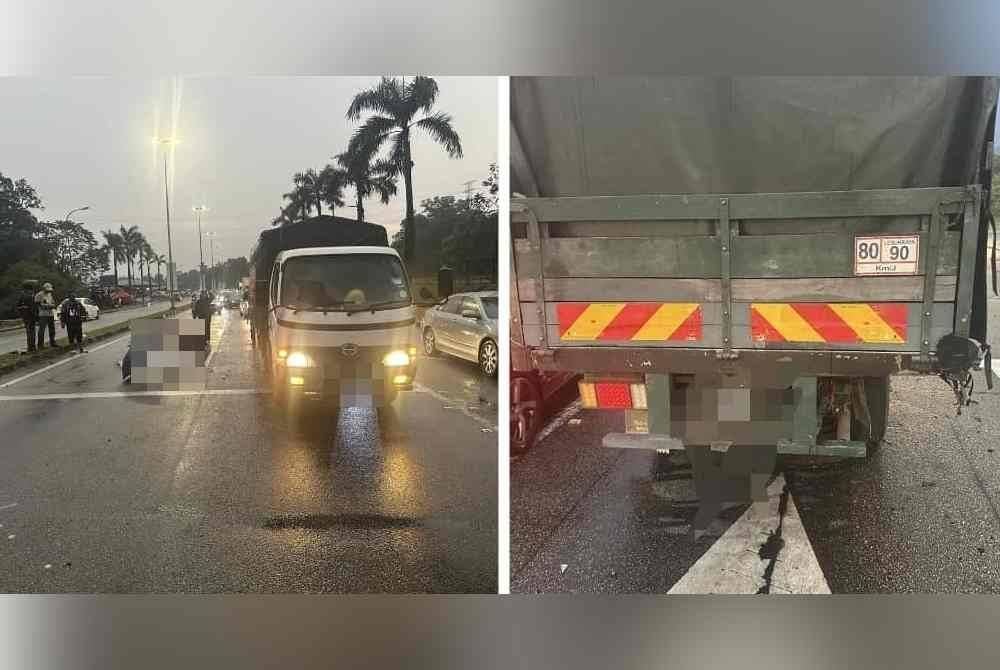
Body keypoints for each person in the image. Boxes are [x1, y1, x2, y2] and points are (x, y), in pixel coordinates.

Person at [15, 281, 38, 353]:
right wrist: (36, 316)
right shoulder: (30, 296)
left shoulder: (22, 296)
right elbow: (33, 308)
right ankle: (32, 347)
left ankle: (31, 347)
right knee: (31, 332)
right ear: (29, 290)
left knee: (29, 332)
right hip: (30, 316)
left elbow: (18, 306)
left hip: (25, 316)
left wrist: (22, 312)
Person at [34, 282, 57, 349]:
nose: (49, 291)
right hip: (43, 314)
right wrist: (47, 306)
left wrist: (51, 305)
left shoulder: (50, 294)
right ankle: (40, 345)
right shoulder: (39, 295)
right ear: (44, 288)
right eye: (47, 290)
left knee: (52, 329)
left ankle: (52, 342)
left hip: (50, 314)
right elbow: (38, 305)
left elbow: (53, 303)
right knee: (42, 330)